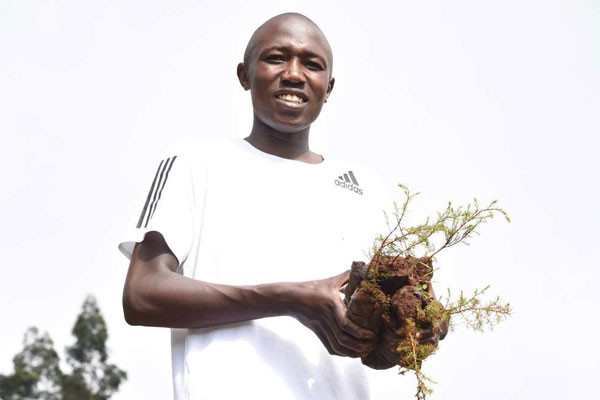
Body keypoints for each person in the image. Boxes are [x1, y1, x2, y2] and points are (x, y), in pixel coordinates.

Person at [119, 12, 445, 400]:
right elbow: (142, 295)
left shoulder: (368, 189)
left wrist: (420, 327)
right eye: (276, 58)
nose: (293, 74)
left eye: (312, 64)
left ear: (329, 87)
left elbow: (399, 313)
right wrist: (289, 299)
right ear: (244, 75)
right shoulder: (195, 162)